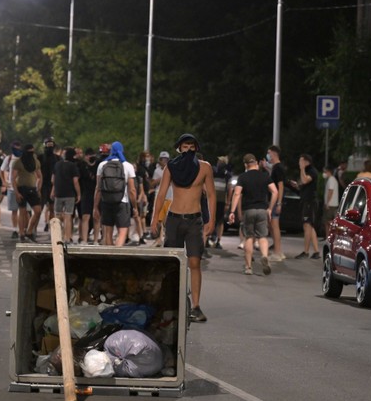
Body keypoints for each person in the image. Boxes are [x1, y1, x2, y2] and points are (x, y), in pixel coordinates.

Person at [150, 133, 216, 322]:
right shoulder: (171, 167)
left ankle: (195, 306)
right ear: (179, 148)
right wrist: (155, 219)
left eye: (191, 146)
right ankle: (171, 303)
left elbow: (211, 195)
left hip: (194, 220)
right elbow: (161, 193)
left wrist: (211, 220)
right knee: (172, 263)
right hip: (174, 219)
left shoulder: (204, 167)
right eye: (185, 147)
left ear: (196, 148)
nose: (188, 150)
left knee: (195, 262)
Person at [228, 153, 277, 276]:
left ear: (245, 165)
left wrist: (232, 211)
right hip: (262, 210)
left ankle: (248, 267)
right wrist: (270, 208)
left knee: (249, 237)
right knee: (263, 237)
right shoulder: (265, 176)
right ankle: (264, 256)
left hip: (248, 210)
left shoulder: (243, 177)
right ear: (256, 163)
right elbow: (275, 191)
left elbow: (237, 194)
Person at [94, 141, 136, 247]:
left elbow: (98, 188)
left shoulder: (102, 165)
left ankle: (109, 254)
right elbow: (132, 190)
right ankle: (117, 252)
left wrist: (95, 207)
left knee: (108, 232)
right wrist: (135, 206)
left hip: (106, 201)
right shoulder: (128, 166)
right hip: (123, 202)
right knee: (122, 232)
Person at [12, 143, 43, 242]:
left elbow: (40, 176)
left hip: (32, 188)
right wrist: (16, 192)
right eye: (29, 152)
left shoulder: (36, 162)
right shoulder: (18, 162)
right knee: (22, 211)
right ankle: (21, 233)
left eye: (32, 152)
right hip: (21, 188)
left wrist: (38, 188)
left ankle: (29, 231)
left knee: (38, 211)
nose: (31, 154)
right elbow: (13, 178)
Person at [51, 147, 81, 244]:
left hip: (58, 193)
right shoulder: (73, 166)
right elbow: (75, 181)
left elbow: (53, 180)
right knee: (68, 216)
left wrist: (53, 191)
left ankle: (57, 237)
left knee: (57, 215)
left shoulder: (57, 164)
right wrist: (78, 194)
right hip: (69, 194)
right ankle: (67, 238)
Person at [293, 153, 320, 259]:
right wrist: (297, 185)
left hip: (310, 201)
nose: (299, 163)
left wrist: (302, 169)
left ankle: (306, 251)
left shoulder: (312, 171)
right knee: (309, 226)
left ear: (306, 161)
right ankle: (316, 251)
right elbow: (303, 183)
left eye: (301, 161)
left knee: (307, 225)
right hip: (306, 200)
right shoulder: (308, 171)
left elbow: (305, 180)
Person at [265, 145, 286, 261]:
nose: (268, 155)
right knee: (272, 226)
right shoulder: (276, 168)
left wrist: (279, 203)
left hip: (275, 201)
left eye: (269, 153)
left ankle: (277, 252)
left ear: (274, 153)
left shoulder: (278, 168)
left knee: (274, 226)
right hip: (273, 201)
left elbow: (280, 186)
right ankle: (278, 251)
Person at [1, 141, 23, 239]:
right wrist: (4, 182)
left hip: (22, 187)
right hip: (11, 188)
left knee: (24, 211)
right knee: (14, 210)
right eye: (15, 148)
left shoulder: (23, 158)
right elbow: (2, 170)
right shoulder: (9, 158)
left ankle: (24, 229)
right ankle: (15, 230)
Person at [77, 148, 97, 244]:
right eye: (89, 156)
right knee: (85, 216)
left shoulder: (98, 165)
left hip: (96, 193)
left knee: (96, 217)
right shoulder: (81, 165)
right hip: (85, 193)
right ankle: (84, 239)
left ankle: (96, 239)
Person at [40, 136, 59, 232]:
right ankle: (33, 228)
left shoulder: (57, 158)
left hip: (52, 185)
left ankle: (52, 227)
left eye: (51, 145)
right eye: (48, 145)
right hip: (42, 185)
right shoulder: (40, 157)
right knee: (39, 208)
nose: (50, 147)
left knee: (52, 208)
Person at [322, 165, 340, 238]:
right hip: (332, 204)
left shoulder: (331, 180)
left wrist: (327, 203)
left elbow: (330, 191)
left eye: (325, 171)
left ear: (328, 172)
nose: (324, 173)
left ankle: (328, 236)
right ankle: (330, 236)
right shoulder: (332, 179)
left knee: (328, 221)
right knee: (330, 221)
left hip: (331, 204)